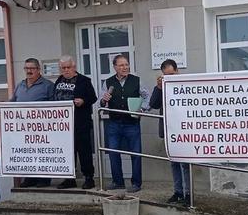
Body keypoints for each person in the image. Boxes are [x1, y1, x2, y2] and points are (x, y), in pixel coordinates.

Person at [100, 54, 150, 192]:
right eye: (121, 65)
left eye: (126, 64)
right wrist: (104, 100)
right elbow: (102, 102)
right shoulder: (108, 82)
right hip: (114, 123)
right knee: (113, 153)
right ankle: (118, 181)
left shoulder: (136, 80)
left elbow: (147, 96)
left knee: (135, 153)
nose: (125, 67)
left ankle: (136, 183)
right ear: (115, 67)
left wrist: (142, 108)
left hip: (131, 123)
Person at [149, 59, 191, 206]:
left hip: (184, 130)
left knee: (185, 164)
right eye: (166, 75)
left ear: (177, 71)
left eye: (172, 74)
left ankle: (188, 194)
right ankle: (178, 192)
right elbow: (153, 104)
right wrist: (159, 88)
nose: (170, 78)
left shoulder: (185, 84)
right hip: (169, 130)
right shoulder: (162, 86)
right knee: (174, 162)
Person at [52, 55, 98, 189]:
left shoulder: (83, 80)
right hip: (63, 125)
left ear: (74, 67)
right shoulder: (59, 80)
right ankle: (69, 178)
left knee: (84, 151)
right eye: (63, 68)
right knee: (67, 152)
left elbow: (93, 98)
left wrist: (83, 101)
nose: (66, 70)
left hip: (80, 122)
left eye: (68, 67)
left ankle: (89, 177)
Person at [11, 58, 54, 188]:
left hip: (43, 127)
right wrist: (1, 104)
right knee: (28, 152)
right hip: (24, 128)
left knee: (42, 152)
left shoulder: (47, 85)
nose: (29, 71)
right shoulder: (20, 85)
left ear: (38, 69)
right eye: (26, 68)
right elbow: (12, 102)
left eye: (32, 68)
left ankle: (44, 179)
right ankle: (30, 177)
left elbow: (56, 105)